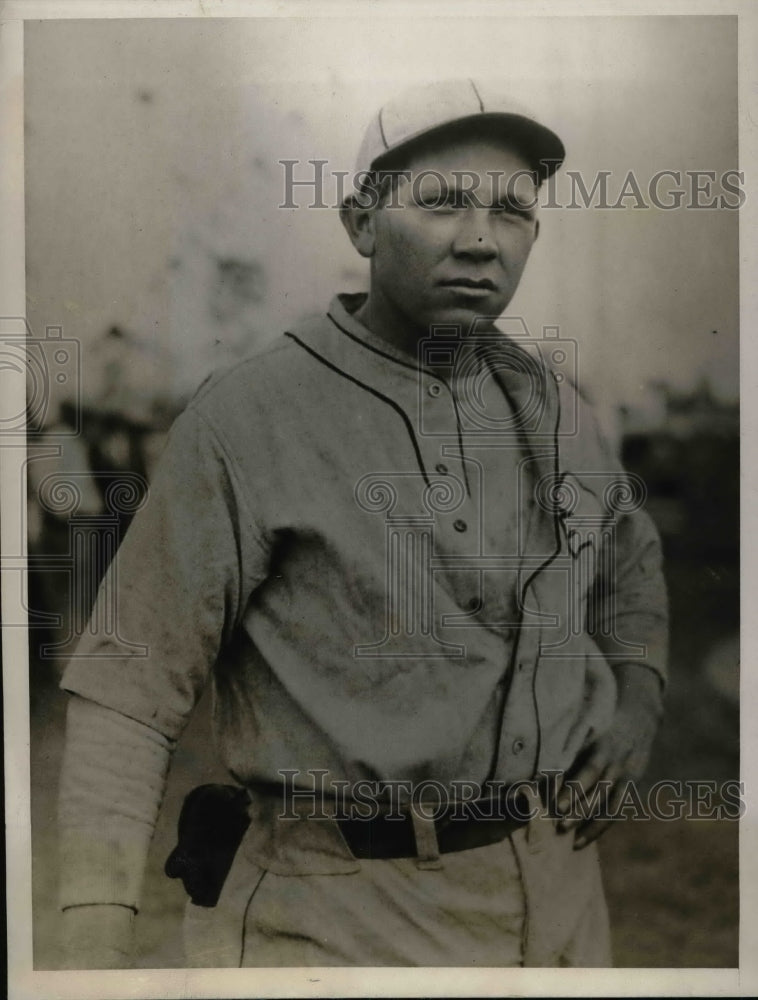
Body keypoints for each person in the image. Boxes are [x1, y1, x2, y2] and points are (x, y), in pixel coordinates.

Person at [57, 79, 668, 969]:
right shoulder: (250, 416)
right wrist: (91, 939)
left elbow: (627, 557)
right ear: (360, 224)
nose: (479, 241)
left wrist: (640, 693)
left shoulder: (550, 400)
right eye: (442, 202)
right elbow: (127, 692)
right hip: (339, 912)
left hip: (561, 894)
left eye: (512, 212)